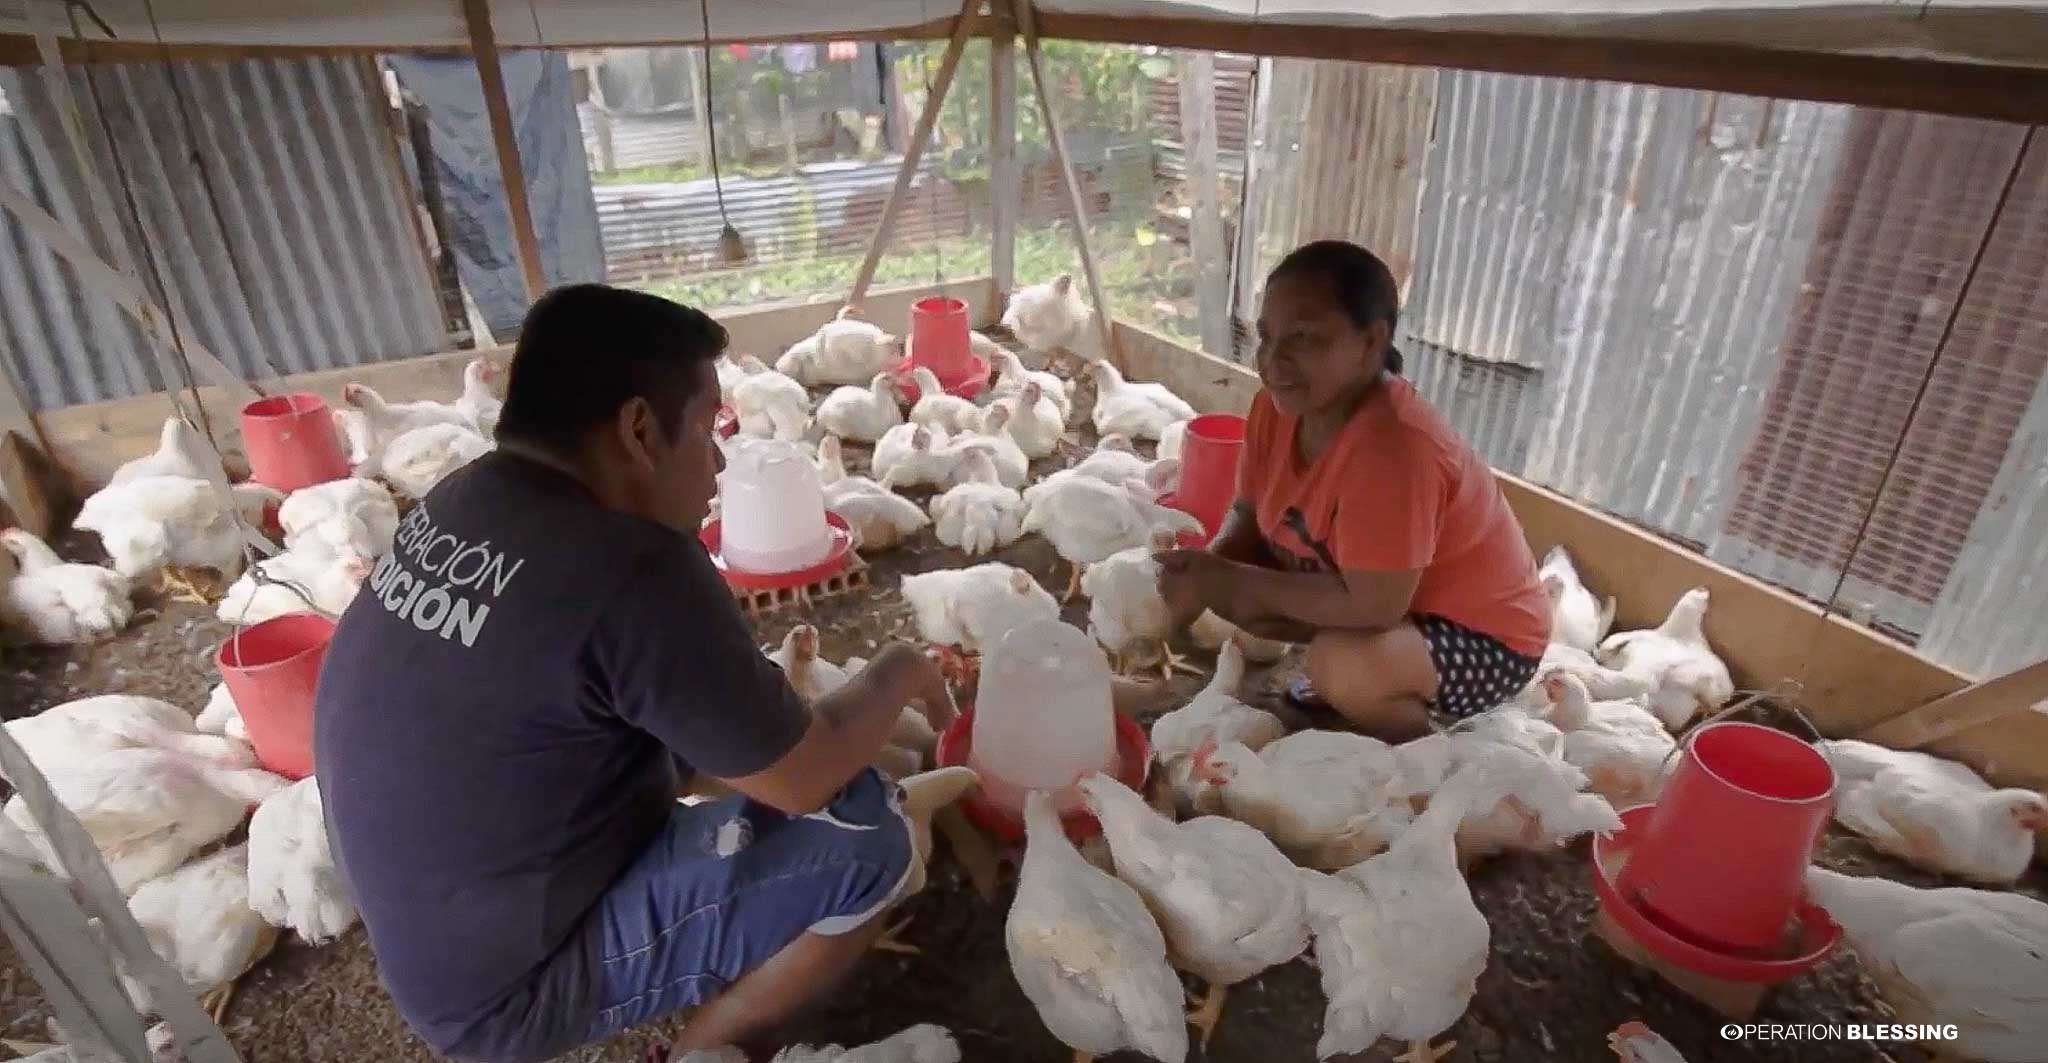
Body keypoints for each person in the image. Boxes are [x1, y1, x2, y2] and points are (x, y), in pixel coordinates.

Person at [315, 284, 956, 1063]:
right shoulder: (630, 562)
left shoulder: (468, 496)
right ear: (641, 429)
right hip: (503, 996)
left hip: (427, 932)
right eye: (708, 425)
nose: (719, 458)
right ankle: (700, 1048)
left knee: (702, 732)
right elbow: (806, 779)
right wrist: (898, 668)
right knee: (868, 838)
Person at [1155, 241, 1550, 742]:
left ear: (1370, 343)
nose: (1273, 360)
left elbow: (1374, 606)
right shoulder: (1274, 410)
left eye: (1304, 339)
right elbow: (1247, 515)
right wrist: (1208, 569)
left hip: (1482, 637)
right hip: (1389, 603)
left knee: (1340, 666)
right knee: (1243, 595)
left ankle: (1429, 753)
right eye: (1266, 336)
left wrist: (1232, 580)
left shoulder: (1394, 449)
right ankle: (1373, 672)